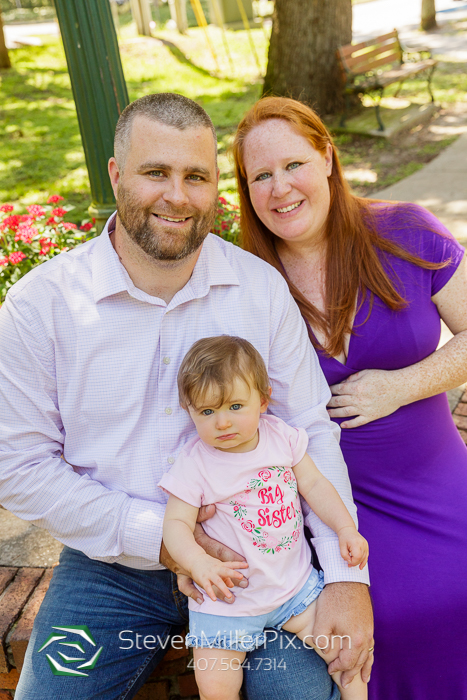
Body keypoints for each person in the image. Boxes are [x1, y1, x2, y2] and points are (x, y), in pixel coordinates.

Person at [0, 93, 373, 700]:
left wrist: (346, 577)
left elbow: (308, 426)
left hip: (265, 563)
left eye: (196, 176)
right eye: (156, 173)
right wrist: (165, 537)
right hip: (112, 570)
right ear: (116, 175)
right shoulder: (41, 308)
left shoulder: (258, 290)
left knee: (309, 693)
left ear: (216, 186)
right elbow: (19, 467)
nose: (177, 196)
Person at [232, 95, 467, 700]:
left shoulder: (406, 230)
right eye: (260, 176)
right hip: (329, 512)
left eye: (293, 165)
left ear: (329, 157)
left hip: (433, 482)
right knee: (374, 626)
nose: (280, 188)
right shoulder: (242, 284)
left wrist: (402, 385)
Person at [160, 335, 369, 700]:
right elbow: (175, 525)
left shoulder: (281, 438)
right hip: (228, 603)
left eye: (235, 406)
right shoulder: (194, 463)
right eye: (207, 412)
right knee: (215, 687)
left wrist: (344, 528)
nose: (222, 422)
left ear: (264, 399)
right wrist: (197, 562)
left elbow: (316, 485)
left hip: (294, 590)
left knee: (344, 653)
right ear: (189, 410)